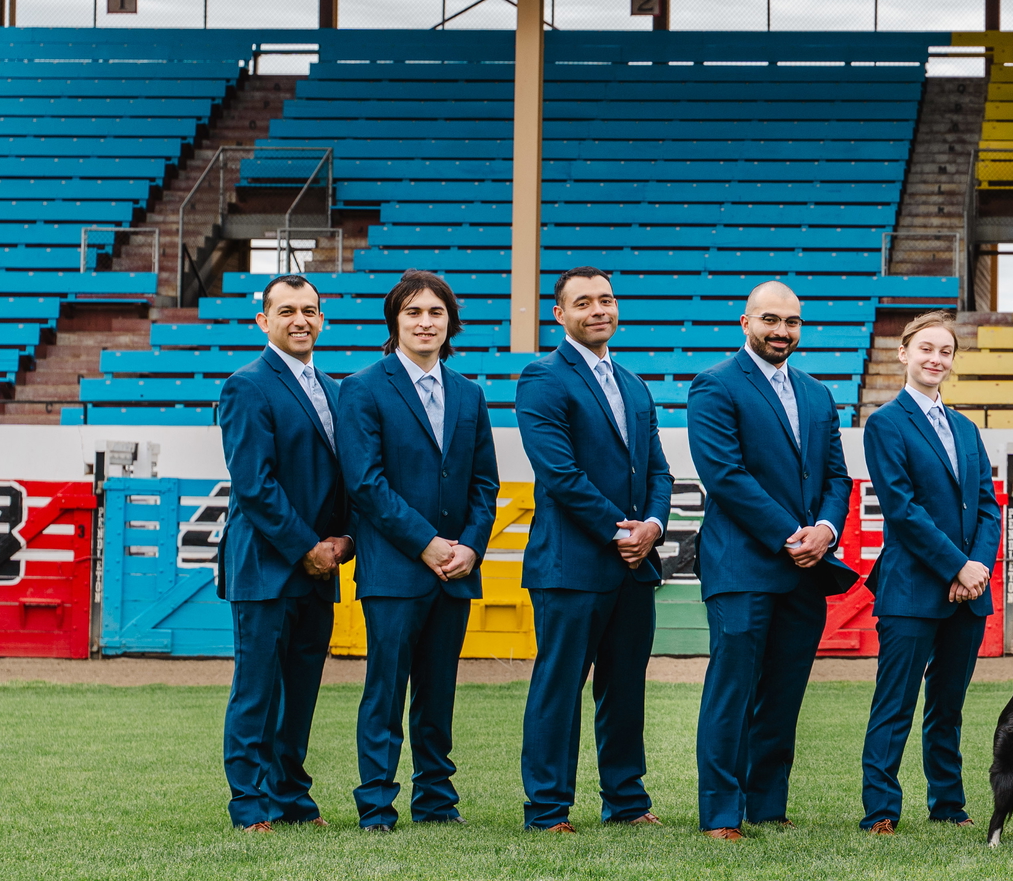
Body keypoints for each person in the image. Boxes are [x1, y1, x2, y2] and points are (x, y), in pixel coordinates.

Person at [685, 280, 858, 840]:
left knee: (783, 695)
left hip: (805, 571)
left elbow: (836, 476)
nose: (782, 331)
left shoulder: (817, 394)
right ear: (746, 322)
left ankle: (766, 805)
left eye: (792, 321)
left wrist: (826, 530)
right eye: (770, 320)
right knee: (732, 692)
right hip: (742, 567)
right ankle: (720, 814)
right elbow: (725, 476)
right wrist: (790, 535)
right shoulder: (714, 385)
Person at [337, 269, 498, 832]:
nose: (425, 322)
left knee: (438, 692)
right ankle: (376, 805)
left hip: (455, 571)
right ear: (395, 321)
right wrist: (426, 543)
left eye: (435, 312)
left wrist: (471, 547)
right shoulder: (362, 388)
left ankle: (435, 802)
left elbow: (484, 484)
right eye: (413, 312)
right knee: (385, 691)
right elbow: (365, 483)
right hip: (394, 569)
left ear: (450, 322)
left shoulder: (470, 394)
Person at [513, 266, 673, 833]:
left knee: (625, 689)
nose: (598, 309)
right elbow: (560, 475)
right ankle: (548, 808)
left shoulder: (634, 384)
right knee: (559, 689)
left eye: (606, 299)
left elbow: (658, 470)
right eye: (583, 302)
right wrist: (622, 531)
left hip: (634, 566)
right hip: (571, 565)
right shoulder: (542, 378)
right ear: (560, 314)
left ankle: (626, 802)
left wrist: (653, 524)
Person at [216, 272, 351, 832]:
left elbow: (348, 481)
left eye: (309, 310)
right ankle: (249, 804)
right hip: (267, 566)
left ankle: (292, 798)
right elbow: (254, 484)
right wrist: (306, 548)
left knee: (300, 693)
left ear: (322, 320)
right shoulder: (246, 386)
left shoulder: (338, 391)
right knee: (257, 692)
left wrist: (343, 541)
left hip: (321, 567)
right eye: (287, 310)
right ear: (263, 321)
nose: (300, 320)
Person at [858, 311, 999, 833]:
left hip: (969, 591)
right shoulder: (886, 423)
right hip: (913, 589)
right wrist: (958, 565)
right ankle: (881, 810)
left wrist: (976, 569)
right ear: (904, 354)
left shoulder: (965, 428)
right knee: (894, 703)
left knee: (948, 706)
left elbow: (987, 506)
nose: (935, 359)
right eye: (926, 349)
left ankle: (948, 805)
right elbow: (902, 509)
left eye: (945, 351)